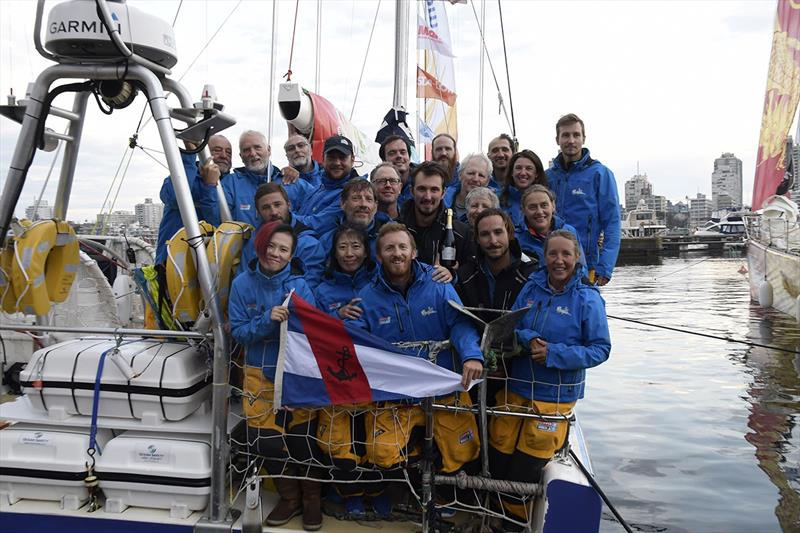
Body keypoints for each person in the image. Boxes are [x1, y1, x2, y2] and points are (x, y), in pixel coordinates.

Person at [349, 223, 484, 512]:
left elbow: (460, 323)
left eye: (401, 247)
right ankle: (409, 470)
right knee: (381, 452)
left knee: (464, 448)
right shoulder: (366, 296)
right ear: (379, 255)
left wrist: (472, 355)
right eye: (389, 248)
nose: (396, 253)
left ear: (413, 251)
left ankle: (445, 494)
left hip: (442, 384)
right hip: (396, 393)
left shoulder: (439, 284)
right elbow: (354, 338)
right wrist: (342, 318)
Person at [490, 229, 610, 529]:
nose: (559, 260)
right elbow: (514, 325)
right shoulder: (531, 288)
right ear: (544, 257)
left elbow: (600, 349)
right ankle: (492, 510)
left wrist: (554, 353)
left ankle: (512, 522)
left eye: (565, 254)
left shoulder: (588, 299)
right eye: (553, 254)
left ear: (576, 257)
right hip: (517, 386)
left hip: (553, 398)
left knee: (526, 464)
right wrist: (529, 338)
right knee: (498, 449)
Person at [228, 220, 324, 531]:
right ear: (260, 245)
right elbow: (241, 333)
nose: (276, 253)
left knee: (301, 442)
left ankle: (312, 501)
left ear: (291, 254)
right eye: (271, 246)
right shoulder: (242, 284)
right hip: (258, 372)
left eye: (284, 249)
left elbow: (313, 332)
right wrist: (267, 320)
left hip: (295, 374)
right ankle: (290, 497)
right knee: (264, 442)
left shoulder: (300, 286)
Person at [312, 226, 381, 518]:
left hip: (373, 377)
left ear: (366, 251)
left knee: (377, 440)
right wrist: (335, 316)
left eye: (356, 246)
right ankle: (350, 494)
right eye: (343, 247)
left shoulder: (379, 282)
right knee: (341, 442)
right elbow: (310, 327)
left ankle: (377, 493)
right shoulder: (323, 289)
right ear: (333, 252)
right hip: (337, 378)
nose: (349, 253)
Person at [545, 113, 620, 285]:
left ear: (583, 138)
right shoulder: (547, 177)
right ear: (557, 139)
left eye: (576, 135)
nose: (571, 140)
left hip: (587, 264)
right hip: (551, 263)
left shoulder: (600, 174)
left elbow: (612, 223)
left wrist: (606, 266)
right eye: (565, 135)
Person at [155, 135, 232, 264]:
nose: (224, 155)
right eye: (217, 150)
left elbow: (218, 225)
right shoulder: (184, 174)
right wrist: (190, 155)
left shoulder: (230, 185)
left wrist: (210, 186)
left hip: (212, 263)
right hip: (173, 264)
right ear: (204, 151)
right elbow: (173, 196)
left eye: (228, 152)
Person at [238, 182, 326, 287]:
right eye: (266, 207)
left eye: (277, 205)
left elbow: (308, 289)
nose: (274, 212)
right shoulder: (253, 240)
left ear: (289, 205)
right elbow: (241, 281)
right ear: (258, 212)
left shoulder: (308, 244)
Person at [398, 161, 475, 279]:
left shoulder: (461, 233)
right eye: (422, 189)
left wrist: (453, 275)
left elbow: (472, 272)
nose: (428, 196)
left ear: (443, 193)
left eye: (434, 190)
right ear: (412, 191)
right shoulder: (397, 229)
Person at [223, 130, 314, 227]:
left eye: (257, 147)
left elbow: (317, 212)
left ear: (269, 150)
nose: (253, 153)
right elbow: (215, 219)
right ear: (241, 156)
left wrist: (291, 229)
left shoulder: (291, 181)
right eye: (246, 150)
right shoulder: (230, 184)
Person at [295, 135, 361, 235]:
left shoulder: (354, 193)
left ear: (352, 159)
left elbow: (316, 224)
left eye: (342, 157)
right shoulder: (318, 188)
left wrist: (285, 217)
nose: (337, 162)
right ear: (323, 159)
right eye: (331, 157)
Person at [514, 185, 581, 266]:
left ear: (553, 206)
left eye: (544, 205)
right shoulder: (516, 238)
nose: (539, 211)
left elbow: (581, 268)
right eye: (532, 207)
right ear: (523, 210)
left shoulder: (569, 232)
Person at [317, 179, 383, 259]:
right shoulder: (327, 241)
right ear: (343, 203)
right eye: (356, 198)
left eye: (369, 199)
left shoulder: (388, 239)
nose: (363, 204)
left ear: (376, 206)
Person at [499, 149, 547, 227]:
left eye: (529, 168)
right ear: (511, 172)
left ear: (536, 174)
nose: (523, 173)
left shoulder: (547, 200)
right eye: (518, 168)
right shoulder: (498, 199)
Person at [444, 153, 493, 223]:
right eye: (471, 173)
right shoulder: (442, 200)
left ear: (488, 181)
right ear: (460, 175)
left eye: (481, 175)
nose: (475, 179)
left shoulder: (493, 208)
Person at [379, 135, 415, 205]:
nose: (399, 156)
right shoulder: (377, 187)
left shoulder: (423, 182)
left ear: (409, 157)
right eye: (392, 153)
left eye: (403, 152)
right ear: (384, 160)